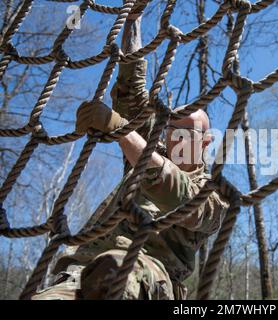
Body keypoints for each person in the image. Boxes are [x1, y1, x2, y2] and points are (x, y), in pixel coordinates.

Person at [31, 5, 229, 300]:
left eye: (189, 133)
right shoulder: (148, 149)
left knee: (120, 272)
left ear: (207, 141)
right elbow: (132, 91)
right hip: (80, 273)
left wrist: (123, 131)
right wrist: (133, 20)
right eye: (173, 131)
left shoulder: (215, 195)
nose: (178, 140)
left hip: (149, 276)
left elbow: (181, 196)